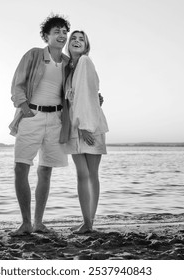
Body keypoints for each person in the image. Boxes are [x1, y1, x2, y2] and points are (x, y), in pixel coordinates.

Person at [9, 14, 71, 235]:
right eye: (57, 31)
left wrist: (96, 99)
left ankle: (38, 222)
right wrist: (24, 107)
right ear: (46, 36)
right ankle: (25, 223)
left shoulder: (68, 63)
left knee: (45, 171)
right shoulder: (34, 55)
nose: (62, 35)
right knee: (21, 167)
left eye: (64, 31)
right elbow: (17, 84)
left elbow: (76, 91)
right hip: (31, 116)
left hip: (56, 119)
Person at [62, 30, 108, 234]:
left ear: (86, 46)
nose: (77, 41)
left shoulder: (85, 62)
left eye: (82, 39)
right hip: (75, 125)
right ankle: (86, 221)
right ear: (68, 44)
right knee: (82, 175)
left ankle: (89, 223)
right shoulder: (69, 67)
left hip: (88, 126)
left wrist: (85, 127)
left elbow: (89, 96)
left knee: (90, 175)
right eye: (74, 38)